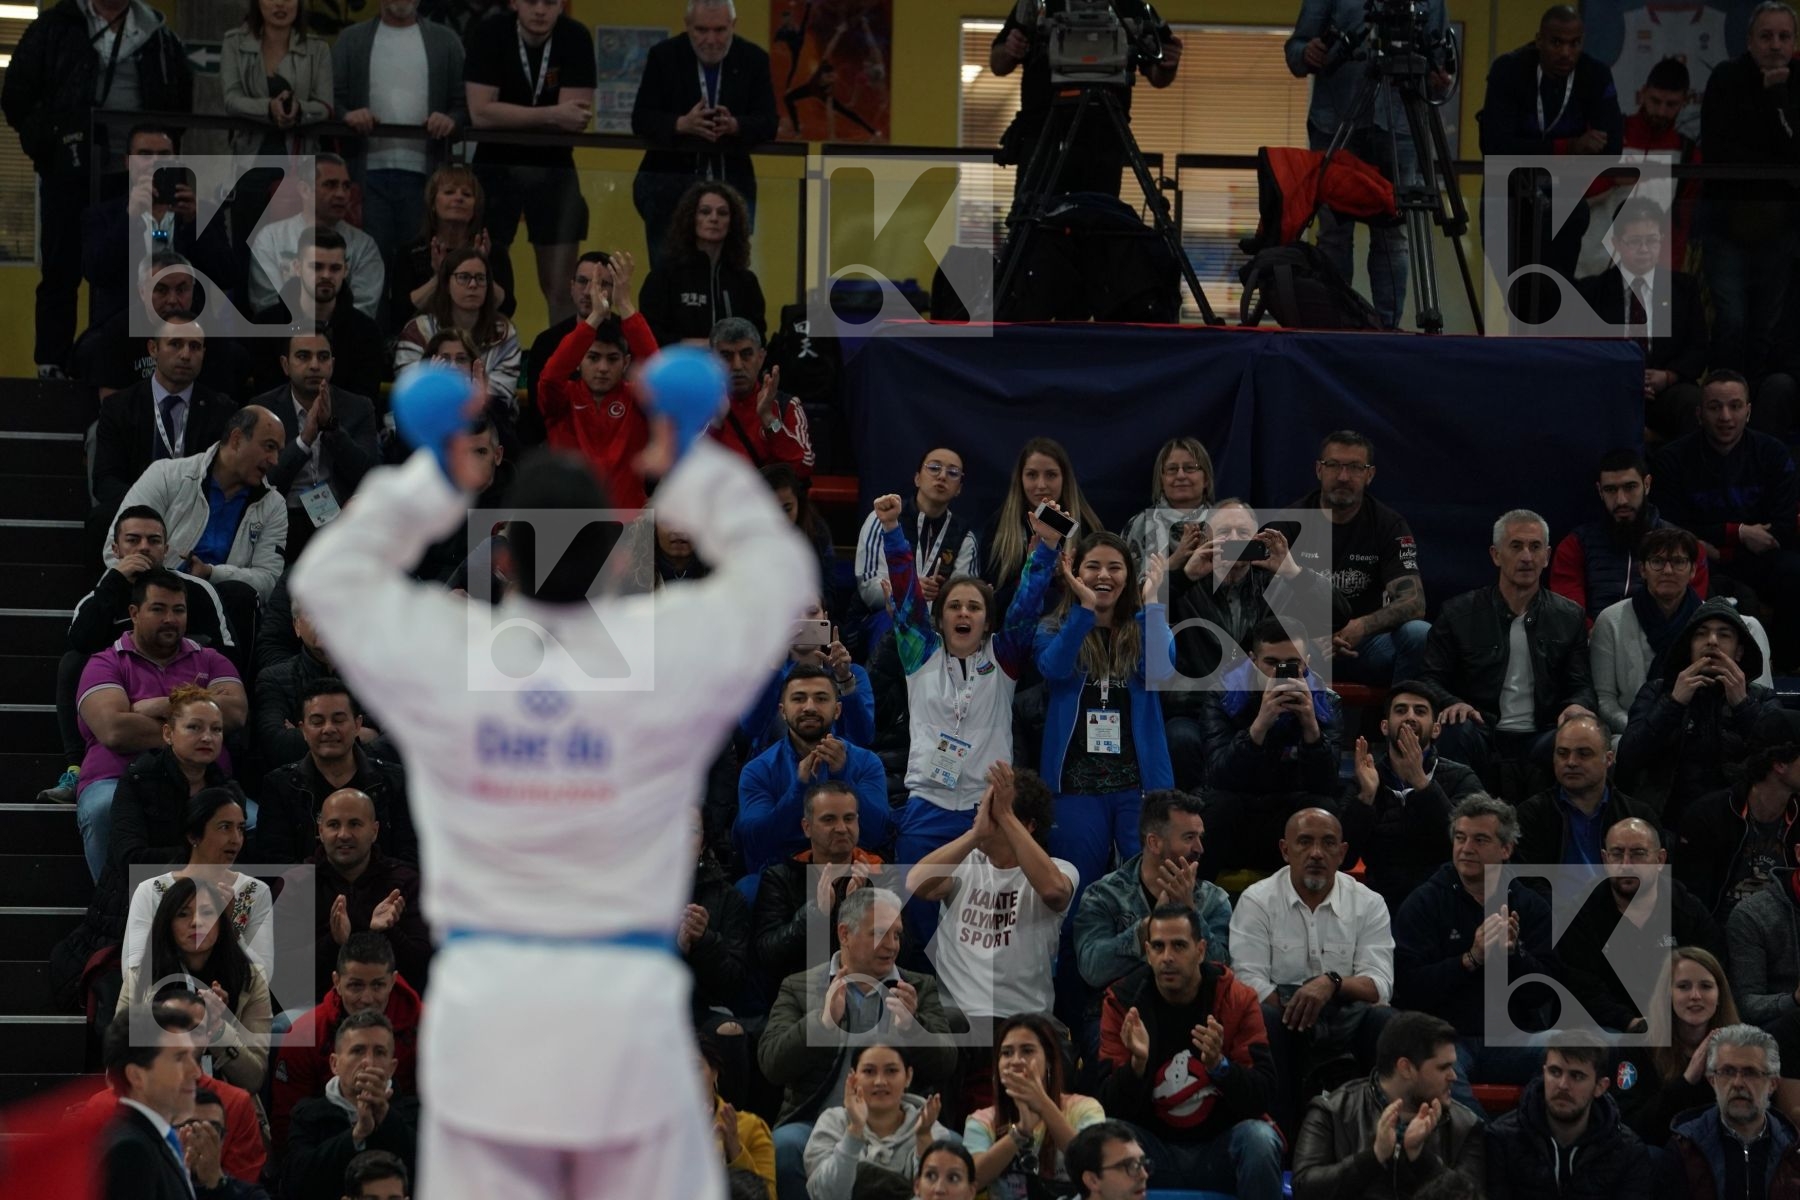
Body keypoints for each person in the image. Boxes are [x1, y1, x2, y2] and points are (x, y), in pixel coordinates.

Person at [290, 350, 815, 1196]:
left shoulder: (451, 660)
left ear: (503, 560)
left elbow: (328, 578)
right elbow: (780, 573)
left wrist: (435, 474)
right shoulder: (663, 654)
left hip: (490, 1009)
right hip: (627, 1009)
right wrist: (688, 459)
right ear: (614, 553)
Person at [875, 490, 1063, 948]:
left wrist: (1047, 547)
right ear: (939, 619)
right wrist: (894, 533)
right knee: (917, 921)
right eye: (955, 606)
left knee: (985, 925)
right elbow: (906, 596)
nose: (964, 613)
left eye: (974, 607)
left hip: (989, 812)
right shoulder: (919, 654)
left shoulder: (1003, 659)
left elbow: (1027, 602)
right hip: (927, 808)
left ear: (986, 621)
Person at [0, 0, 191, 379]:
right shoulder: (56, 26)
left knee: (131, 265)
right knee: (60, 264)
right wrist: (49, 141)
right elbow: (16, 94)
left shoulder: (157, 34)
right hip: (69, 166)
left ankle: (124, 363)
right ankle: (52, 364)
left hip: (136, 170)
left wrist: (156, 155)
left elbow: (179, 100)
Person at [759, 886, 959, 1200]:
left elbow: (946, 1063)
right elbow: (772, 1064)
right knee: (784, 1146)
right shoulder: (800, 987)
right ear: (845, 933)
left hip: (900, 1125)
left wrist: (912, 1028)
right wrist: (823, 1024)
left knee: (955, 1148)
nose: (892, 945)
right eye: (880, 933)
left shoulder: (918, 986)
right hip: (819, 1121)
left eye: (897, 935)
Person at [44, 508, 233, 806]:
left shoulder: (197, 592)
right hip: (118, 693)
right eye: (133, 540)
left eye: (154, 540)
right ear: (115, 549)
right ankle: (75, 767)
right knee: (73, 663)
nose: (144, 547)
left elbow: (224, 661)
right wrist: (115, 583)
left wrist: (160, 704)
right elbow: (80, 643)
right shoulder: (98, 597)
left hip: (181, 692)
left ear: (166, 549)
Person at [1095, 903, 1283, 1198]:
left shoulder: (1237, 999)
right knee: (1102, 1137)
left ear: (1201, 950)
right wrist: (1137, 1065)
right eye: (1158, 946)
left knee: (1259, 1138)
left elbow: (1263, 1096)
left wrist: (1220, 1066)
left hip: (1219, 1150)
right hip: (1150, 1153)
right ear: (1147, 952)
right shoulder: (1122, 1003)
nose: (1167, 957)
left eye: (1179, 945)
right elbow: (1107, 1106)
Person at [1228, 808, 1397, 1129]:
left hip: (1347, 1015)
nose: (1317, 853)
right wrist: (1301, 1008)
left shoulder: (1369, 902)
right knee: (1262, 1017)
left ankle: (1379, 1137)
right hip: (1285, 1017)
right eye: (1305, 842)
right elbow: (1248, 982)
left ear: (1343, 853)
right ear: (1285, 850)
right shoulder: (1257, 901)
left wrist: (1330, 983)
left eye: (1328, 843)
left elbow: (1379, 984)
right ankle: (1281, 1136)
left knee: (1386, 1020)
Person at [75, 570, 246, 881]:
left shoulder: (211, 659)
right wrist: (199, 717)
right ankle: (116, 910)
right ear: (134, 613)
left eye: (178, 610)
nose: (170, 619)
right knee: (102, 810)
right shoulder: (105, 663)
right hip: (116, 778)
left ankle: (231, 919)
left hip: (207, 782)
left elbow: (235, 712)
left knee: (255, 821)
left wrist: (161, 706)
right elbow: (114, 730)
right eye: (159, 609)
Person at [1286, 4, 1448, 329]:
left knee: (1394, 234)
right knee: (1333, 233)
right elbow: (1296, 52)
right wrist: (1309, 53)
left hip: (1400, 121)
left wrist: (1438, 75)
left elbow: (1439, 56)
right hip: (1337, 119)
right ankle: (1334, 326)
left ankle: (1388, 329)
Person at [1392, 795, 1556, 1115]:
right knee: (1433, 1072)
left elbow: (1546, 991)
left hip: (1514, 1040)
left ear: (1506, 849)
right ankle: (1486, 1145)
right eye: (1460, 837)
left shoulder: (1530, 905)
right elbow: (1408, 987)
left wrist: (1514, 954)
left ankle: (1530, 1138)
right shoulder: (1424, 902)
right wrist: (1470, 959)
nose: (1467, 848)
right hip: (1447, 1038)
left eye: (1480, 840)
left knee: (1573, 1053)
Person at [1036, 533, 1173, 913]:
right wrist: (1083, 610)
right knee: (1074, 900)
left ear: (1128, 576)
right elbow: (1053, 668)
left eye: (1115, 567)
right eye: (1093, 566)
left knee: (1148, 898)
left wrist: (1152, 604)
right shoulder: (1055, 627)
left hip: (1139, 789)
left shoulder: (1147, 625)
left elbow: (1160, 671)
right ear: (1075, 572)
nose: (1104, 575)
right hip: (1076, 789)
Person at [1420, 509, 1596, 782]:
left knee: (1576, 738)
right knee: (1453, 728)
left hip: (1543, 733)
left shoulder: (1569, 616)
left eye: (1535, 547)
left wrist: (1576, 705)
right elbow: (1429, 678)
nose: (1527, 557)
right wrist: (1453, 703)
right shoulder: (1458, 613)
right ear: (1496, 555)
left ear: (1547, 556)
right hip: (1482, 731)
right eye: (1516, 546)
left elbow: (1581, 685)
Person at [1477, 5, 1624, 317]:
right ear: (1538, 41)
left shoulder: (1595, 74)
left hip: (1563, 205)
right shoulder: (1509, 69)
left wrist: (1535, 149)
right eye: (1557, 42)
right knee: (1516, 300)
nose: (1566, 53)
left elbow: (1611, 147)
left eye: (1575, 43)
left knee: (1554, 300)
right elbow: (1496, 147)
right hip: (1508, 197)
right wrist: (1568, 147)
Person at [1653, 371, 1800, 668]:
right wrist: (1740, 532)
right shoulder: (1672, 459)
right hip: (1702, 559)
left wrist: (1719, 540)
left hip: (1758, 558)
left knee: (1795, 572)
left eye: (1734, 406)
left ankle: (1784, 667)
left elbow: (1783, 527)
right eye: (1714, 407)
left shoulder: (1773, 453)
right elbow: (1670, 525)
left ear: (1748, 411)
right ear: (1699, 413)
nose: (1725, 416)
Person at [906, 762, 1075, 1021]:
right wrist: (974, 835)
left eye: (990, 809)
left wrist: (1004, 815)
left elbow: (1054, 892)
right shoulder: (964, 862)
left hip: (1023, 1020)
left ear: (1027, 825)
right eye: (980, 807)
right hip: (958, 1018)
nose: (980, 816)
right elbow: (915, 884)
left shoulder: (1060, 869)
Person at [463, 0, 595, 323]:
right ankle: (483, 361)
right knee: (481, 276)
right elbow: (480, 113)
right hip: (495, 164)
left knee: (561, 286)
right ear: (514, 2)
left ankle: (561, 364)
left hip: (554, 165)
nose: (540, 10)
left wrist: (505, 113)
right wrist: (551, 114)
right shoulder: (490, 32)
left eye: (549, 2)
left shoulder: (575, 36)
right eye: (532, 1)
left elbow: (575, 118)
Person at [1697, 3, 1800, 392]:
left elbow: (1795, 152)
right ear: (1749, 41)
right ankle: (1720, 399)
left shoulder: (1797, 81)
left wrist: (1777, 98)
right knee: (1731, 320)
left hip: (1780, 224)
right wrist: (1776, 148)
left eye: (1784, 36)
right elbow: (1722, 151)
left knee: (1765, 325)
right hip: (1727, 222)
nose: (1775, 45)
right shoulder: (1726, 78)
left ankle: (1751, 409)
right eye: (1766, 36)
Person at [1591, 527, 1774, 743]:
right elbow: (1605, 701)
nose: (1668, 570)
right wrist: (1644, 729)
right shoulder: (1610, 620)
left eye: (1678, 562)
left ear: (1693, 570)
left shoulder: (1743, 628)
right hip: (1633, 733)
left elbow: (1762, 704)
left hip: (1714, 733)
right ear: (1642, 569)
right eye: (1657, 561)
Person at [1617, 598, 1789, 827]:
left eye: (1724, 634)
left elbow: (1783, 763)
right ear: (1689, 647)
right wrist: (1673, 703)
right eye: (1701, 633)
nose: (1712, 642)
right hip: (1666, 821)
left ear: (1739, 652)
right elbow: (1628, 758)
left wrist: (1742, 706)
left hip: (1739, 825)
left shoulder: (1762, 698)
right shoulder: (1657, 692)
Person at [989, 0, 1181, 203]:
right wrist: (1011, 49)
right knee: (1033, 218)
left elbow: (1159, 74)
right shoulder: (1038, 3)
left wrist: (1168, 64)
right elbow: (998, 64)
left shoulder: (1132, 7)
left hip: (1103, 136)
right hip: (1044, 134)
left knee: (1099, 220)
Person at [631, 0, 777, 266]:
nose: (711, 39)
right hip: (668, 185)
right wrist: (682, 124)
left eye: (720, 30)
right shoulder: (664, 56)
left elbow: (769, 122)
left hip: (733, 182)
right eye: (701, 30)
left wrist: (735, 126)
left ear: (734, 25)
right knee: (668, 276)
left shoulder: (753, 59)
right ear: (687, 26)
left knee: (731, 273)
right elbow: (641, 119)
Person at [108, 407, 289, 612]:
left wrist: (211, 573)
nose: (275, 460)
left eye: (278, 452)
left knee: (240, 597)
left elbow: (269, 581)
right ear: (237, 439)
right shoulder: (165, 476)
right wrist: (163, 587)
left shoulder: (274, 505)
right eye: (269, 447)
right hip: (149, 603)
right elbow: (113, 551)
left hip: (223, 608)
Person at [1197, 617, 1343, 871]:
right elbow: (1217, 775)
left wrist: (1311, 727)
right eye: (1271, 663)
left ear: (1306, 661)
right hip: (1240, 811)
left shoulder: (1325, 703)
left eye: (1292, 664)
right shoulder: (1222, 695)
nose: (1280, 672)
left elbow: (1326, 784)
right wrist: (1259, 726)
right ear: (1253, 660)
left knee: (1323, 807)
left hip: (1287, 814)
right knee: (1217, 805)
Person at [1559, 818, 1727, 1033]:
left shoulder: (1688, 911)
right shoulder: (1583, 914)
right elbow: (1581, 988)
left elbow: (1713, 971)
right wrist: (1631, 1023)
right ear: (1604, 859)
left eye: (1638, 853)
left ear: (1660, 859)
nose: (1626, 864)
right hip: (1608, 1028)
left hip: (1679, 1023)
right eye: (1617, 854)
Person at [1292, 1011, 1482, 1200]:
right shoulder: (1332, 1110)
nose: (1453, 1076)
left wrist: (1420, 1157)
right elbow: (1304, 1190)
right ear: (1405, 1068)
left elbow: (1472, 1195)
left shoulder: (1465, 1125)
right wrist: (1373, 1157)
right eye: (1443, 1067)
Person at [1290, 431, 1431, 685]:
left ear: (1370, 474)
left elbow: (1415, 602)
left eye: (1355, 467)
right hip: (1304, 649)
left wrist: (1360, 627)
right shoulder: (1289, 522)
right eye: (1334, 465)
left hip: (1365, 647)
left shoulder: (1389, 525)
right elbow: (1262, 601)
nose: (1343, 477)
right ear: (1319, 470)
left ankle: (1399, 717)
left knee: (1420, 634)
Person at [331, 0, 468, 258]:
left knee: (419, 267)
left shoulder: (446, 41)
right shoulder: (351, 40)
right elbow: (331, 98)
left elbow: (463, 105)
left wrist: (450, 120)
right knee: (367, 266)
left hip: (427, 178)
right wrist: (348, 115)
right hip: (365, 175)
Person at [1075, 790, 1233, 1011]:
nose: (1200, 848)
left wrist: (1190, 912)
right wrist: (1147, 928)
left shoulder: (1213, 900)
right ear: (1154, 843)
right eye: (1189, 838)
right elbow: (1093, 969)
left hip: (1192, 1012)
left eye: (1200, 837)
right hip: (1119, 1011)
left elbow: (1221, 970)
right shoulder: (1104, 895)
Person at [90, 319, 240, 549]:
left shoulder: (221, 410)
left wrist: (183, 507)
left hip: (195, 509)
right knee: (100, 519)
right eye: (175, 344)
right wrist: (147, 503)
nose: (185, 355)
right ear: (153, 349)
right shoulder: (119, 406)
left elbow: (224, 477)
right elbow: (105, 479)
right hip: (135, 505)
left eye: (194, 346)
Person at [115, 876, 273, 1094]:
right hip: (155, 1101)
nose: (196, 922)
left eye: (207, 913)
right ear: (167, 923)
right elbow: (116, 1064)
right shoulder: (141, 976)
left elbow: (253, 1078)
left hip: (225, 1107)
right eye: (183, 914)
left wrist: (218, 1027)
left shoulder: (250, 978)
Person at [1166, 498, 1342, 687]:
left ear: (1255, 539)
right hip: (1195, 704)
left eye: (1242, 532)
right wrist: (1183, 577)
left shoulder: (1276, 585)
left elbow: (1337, 616)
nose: (1234, 538)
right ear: (1207, 539)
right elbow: (1143, 616)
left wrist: (1293, 572)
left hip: (1258, 700)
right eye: (1224, 531)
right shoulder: (1186, 584)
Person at [78, 123, 238, 333]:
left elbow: (225, 276)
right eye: (145, 154)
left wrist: (194, 223)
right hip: (122, 331)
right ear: (127, 162)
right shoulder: (103, 215)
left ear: (176, 161)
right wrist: (130, 217)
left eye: (163, 154)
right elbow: (98, 273)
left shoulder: (203, 212)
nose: (154, 161)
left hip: (188, 331)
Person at [735, 664, 891, 877]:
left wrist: (842, 775)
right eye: (798, 699)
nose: (809, 707)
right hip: (784, 875)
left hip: (852, 870)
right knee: (750, 889)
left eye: (821, 698)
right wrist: (798, 789)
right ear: (782, 711)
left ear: (837, 710)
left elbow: (876, 834)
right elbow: (757, 844)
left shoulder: (866, 762)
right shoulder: (758, 770)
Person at [272, 932, 423, 1151]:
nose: (367, 998)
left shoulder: (427, 1028)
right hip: (324, 1150)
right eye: (356, 986)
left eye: (378, 985)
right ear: (337, 982)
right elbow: (286, 1129)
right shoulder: (304, 1035)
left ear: (392, 981)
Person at [1574, 202, 1711, 442]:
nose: (1644, 249)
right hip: (1612, 387)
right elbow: (1585, 350)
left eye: (1652, 240)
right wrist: (1625, 377)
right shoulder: (1593, 291)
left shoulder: (1682, 288)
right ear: (1616, 244)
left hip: (1666, 389)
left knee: (1691, 401)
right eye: (1635, 241)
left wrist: (1668, 376)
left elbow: (1698, 348)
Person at [536, 250, 659, 510]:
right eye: (593, 358)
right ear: (579, 361)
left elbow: (662, 376)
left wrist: (624, 305)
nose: (603, 368)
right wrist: (593, 319)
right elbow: (549, 379)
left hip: (628, 523)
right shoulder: (562, 399)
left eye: (612, 359)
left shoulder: (637, 398)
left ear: (626, 363)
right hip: (568, 523)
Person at [1343, 683, 1484, 909]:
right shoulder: (1364, 779)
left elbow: (1471, 847)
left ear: (1436, 729)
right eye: (1401, 710)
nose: (1410, 717)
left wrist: (1422, 784)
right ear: (1385, 726)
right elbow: (1344, 858)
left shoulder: (1461, 778)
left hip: (1446, 902)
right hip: (1381, 902)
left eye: (1420, 711)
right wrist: (1366, 798)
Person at [753, 780, 887, 1003]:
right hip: (801, 999)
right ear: (807, 827)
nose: (842, 828)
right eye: (829, 819)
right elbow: (766, 954)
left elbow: (903, 949)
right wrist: (815, 913)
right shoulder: (780, 878)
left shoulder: (880, 874)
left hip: (869, 996)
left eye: (849, 818)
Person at [258, 678, 414, 865]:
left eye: (338, 720)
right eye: (317, 722)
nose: (329, 729)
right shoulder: (279, 786)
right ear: (303, 730)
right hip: (305, 892)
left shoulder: (395, 780)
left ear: (357, 725)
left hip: (388, 892)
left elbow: (411, 857)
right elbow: (275, 867)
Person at [1552, 449, 1713, 626]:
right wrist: (1599, 638)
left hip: (1663, 644)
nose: (1621, 500)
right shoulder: (1575, 545)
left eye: (1630, 487)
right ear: (1599, 491)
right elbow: (1569, 613)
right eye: (1611, 490)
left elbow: (1690, 613)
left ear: (1647, 484)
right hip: (1593, 644)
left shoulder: (1687, 546)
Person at [121, 786, 272, 974]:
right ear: (193, 835)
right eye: (225, 827)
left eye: (240, 828)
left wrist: (228, 927)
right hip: (165, 998)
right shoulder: (152, 890)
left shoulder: (255, 891)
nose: (236, 839)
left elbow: (263, 975)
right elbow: (133, 971)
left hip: (233, 1001)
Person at [222, 0, 334, 248]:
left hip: (299, 160)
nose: (280, 4)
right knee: (246, 247)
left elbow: (326, 105)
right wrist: (268, 108)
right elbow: (231, 99)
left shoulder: (317, 49)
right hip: (250, 160)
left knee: (294, 248)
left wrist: (300, 109)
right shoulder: (234, 43)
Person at [260, 330, 381, 559]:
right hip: (282, 516)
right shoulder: (264, 409)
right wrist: (303, 441)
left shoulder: (358, 407)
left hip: (340, 518)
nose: (315, 365)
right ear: (285, 365)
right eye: (303, 356)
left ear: (332, 364)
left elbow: (368, 475)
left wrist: (331, 427)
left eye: (323, 357)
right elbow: (266, 481)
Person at [75, 252, 256, 406]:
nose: (172, 300)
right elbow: (110, 401)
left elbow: (220, 401)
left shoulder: (211, 332)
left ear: (193, 290)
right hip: (133, 425)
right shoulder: (119, 330)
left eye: (181, 290)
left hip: (195, 425)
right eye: (161, 290)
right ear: (142, 292)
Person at [1483, 1035, 1652, 1198]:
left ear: (1600, 1086)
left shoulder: (1629, 1152)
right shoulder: (1502, 1139)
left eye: (1577, 1076)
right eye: (1555, 1072)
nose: (1563, 1085)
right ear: (1543, 1073)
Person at [301, 788, 431, 1000]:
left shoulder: (405, 883)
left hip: (392, 1008)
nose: (343, 834)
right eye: (334, 825)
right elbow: (285, 971)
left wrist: (387, 932)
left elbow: (422, 964)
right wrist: (333, 941)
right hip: (316, 1007)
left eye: (354, 824)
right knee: (283, 1026)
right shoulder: (297, 884)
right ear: (320, 831)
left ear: (375, 830)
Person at [962, 1013, 1105, 1199]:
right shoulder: (982, 1121)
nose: (1015, 1060)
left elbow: (1092, 1164)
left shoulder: (1085, 1108)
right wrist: (1020, 1132)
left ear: (1049, 1061)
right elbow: (971, 1181)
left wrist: (1043, 1106)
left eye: (1027, 1051)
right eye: (1006, 1053)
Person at [1611, 947, 1743, 1147]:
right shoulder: (1638, 1042)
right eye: (1683, 986)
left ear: (1719, 996)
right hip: (1658, 1150)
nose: (1695, 995)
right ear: (1668, 995)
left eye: (1706, 986)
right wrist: (1687, 1080)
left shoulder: (1740, 1042)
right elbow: (1632, 1125)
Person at [285, 1011, 421, 1200]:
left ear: (392, 1067)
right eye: (358, 1051)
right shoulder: (306, 1115)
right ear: (335, 1064)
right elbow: (295, 1186)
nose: (368, 1062)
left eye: (379, 1052)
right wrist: (356, 1135)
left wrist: (386, 1118)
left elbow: (433, 1175)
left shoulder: (417, 1113)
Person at [250, 227, 390, 406]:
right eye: (316, 266)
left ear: (345, 271)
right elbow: (265, 400)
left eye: (335, 268)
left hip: (343, 428)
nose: (326, 275)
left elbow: (363, 405)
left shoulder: (366, 332)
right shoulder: (266, 327)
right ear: (297, 267)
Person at [854, 449, 979, 643]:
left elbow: (964, 597)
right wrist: (909, 590)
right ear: (917, 478)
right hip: (882, 619)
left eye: (953, 472)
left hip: (937, 624)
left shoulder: (964, 536)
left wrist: (940, 596)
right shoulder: (884, 517)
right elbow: (868, 588)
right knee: (896, 623)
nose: (943, 476)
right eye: (934, 468)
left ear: (959, 488)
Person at [801, 1044, 957, 1200]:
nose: (880, 1081)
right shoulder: (833, 1122)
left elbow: (937, 1196)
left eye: (891, 1071)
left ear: (908, 1076)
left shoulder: (931, 1129)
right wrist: (854, 1131)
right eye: (869, 1071)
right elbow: (825, 1195)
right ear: (853, 1078)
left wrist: (923, 1138)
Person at [1670, 1023, 1800, 1197]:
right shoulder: (1685, 1149)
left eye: (1750, 1072)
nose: (1738, 1083)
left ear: (1773, 1084)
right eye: (1727, 1072)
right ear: (1712, 1080)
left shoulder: (1794, 1153)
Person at [247, 157, 384, 322]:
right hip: (284, 337)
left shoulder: (364, 246)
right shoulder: (270, 238)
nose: (341, 194)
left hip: (342, 338)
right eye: (330, 185)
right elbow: (266, 303)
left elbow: (363, 309)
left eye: (346, 186)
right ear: (304, 190)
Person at [1677, 743, 1800, 920]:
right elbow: (1693, 900)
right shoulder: (1708, 814)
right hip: (1720, 932)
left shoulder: (1796, 816)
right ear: (1779, 764)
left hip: (1783, 934)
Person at [981, 437, 1106, 612]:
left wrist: (1064, 578)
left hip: (1071, 627)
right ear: (1020, 478)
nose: (1041, 485)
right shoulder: (999, 527)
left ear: (1065, 478)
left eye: (1051, 475)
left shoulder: (1087, 527)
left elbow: (1100, 596)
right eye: (1032, 475)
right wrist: (1031, 572)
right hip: (1014, 631)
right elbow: (990, 599)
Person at [1513, 715, 1654, 868]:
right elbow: (1526, 883)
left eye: (1584, 754)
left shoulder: (1638, 817)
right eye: (1562, 753)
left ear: (1608, 759)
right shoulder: (1531, 815)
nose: (1571, 762)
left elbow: (1653, 882)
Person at [393, 246, 523, 409]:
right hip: (425, 419)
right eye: (464, 277)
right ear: (446, 284)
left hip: (487, 423)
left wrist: (438, 385)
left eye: (481, 278)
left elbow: (501, 397)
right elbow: (410, 391)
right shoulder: (418, 330)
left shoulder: (504, 333)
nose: (473, 284)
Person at [640, 181, 767, 348]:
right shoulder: (665, 276)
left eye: (722, 213)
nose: (714, 218)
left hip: (732, 371)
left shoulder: (746, 281)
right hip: (680, 370)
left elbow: (758, 337)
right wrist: (706, 345)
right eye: (705, 212)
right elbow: (649, 335)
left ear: (732, 223)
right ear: (691, 218)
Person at [98, 1001, 203, 1200]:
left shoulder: (148, 1139)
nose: (196, 1071)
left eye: (192, 1056)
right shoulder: (130, 1152)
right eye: (179, 1058)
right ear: (136, 1076)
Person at [387, 165, 500, 329]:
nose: (459, 198)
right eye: (449, 192)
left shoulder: (492, 252)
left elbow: (506, 308)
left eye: (467, 194)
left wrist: (481, 264)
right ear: (433, 203)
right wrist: (440, 276)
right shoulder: (411, 253)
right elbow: (401, 312)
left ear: (475, 207)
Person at [708, 317, 814, 477]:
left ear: (761, 357)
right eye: (726, 356)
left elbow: (804, 466)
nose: (737, 366)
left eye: (746, 354)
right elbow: (682, 470)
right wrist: (714, 423)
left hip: (769, 501)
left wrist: (769, 420)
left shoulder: (787, 405)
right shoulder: (698, 406)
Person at [1120, 436, 1214, 575]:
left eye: (1190, 468)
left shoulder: (1224, 523)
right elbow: (1125, 588)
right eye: (1172, 469)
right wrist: (1174, 561)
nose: (1181, 475)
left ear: (1206, 479)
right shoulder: (1139, 526)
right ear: (1161, 480)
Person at [702, 1034, 775, 1195]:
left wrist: (734, 1149)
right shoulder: (656, 1134)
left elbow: (768, 1196)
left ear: (714, 1072)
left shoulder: (751, 1127)